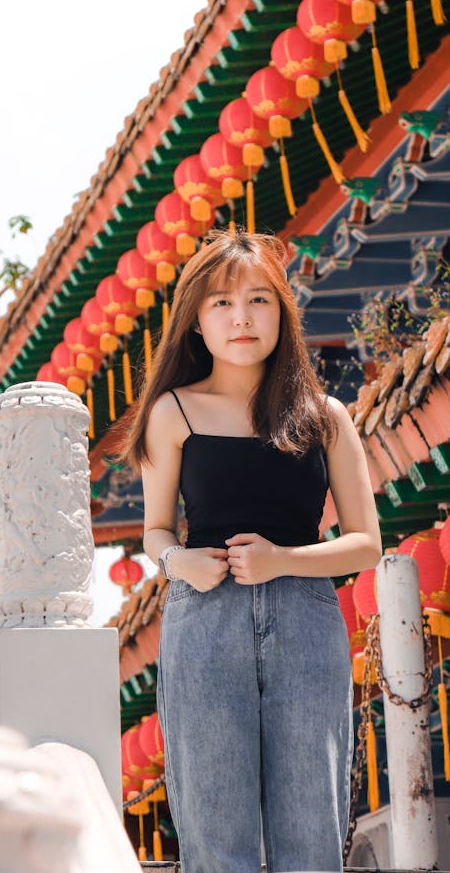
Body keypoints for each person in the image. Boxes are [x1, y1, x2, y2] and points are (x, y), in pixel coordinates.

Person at [123, 228, 381, 873]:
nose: (242, 318)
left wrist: (282, 560)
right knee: (214, 827)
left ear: (282, 313)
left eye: (259, 300)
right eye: (221, 304)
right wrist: (175, 561)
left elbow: (366, 544)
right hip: (204, 621)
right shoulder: (173, 412)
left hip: (305, 620)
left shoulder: (323, 414)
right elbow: (156, 529)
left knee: (311, 824)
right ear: (196, 325)